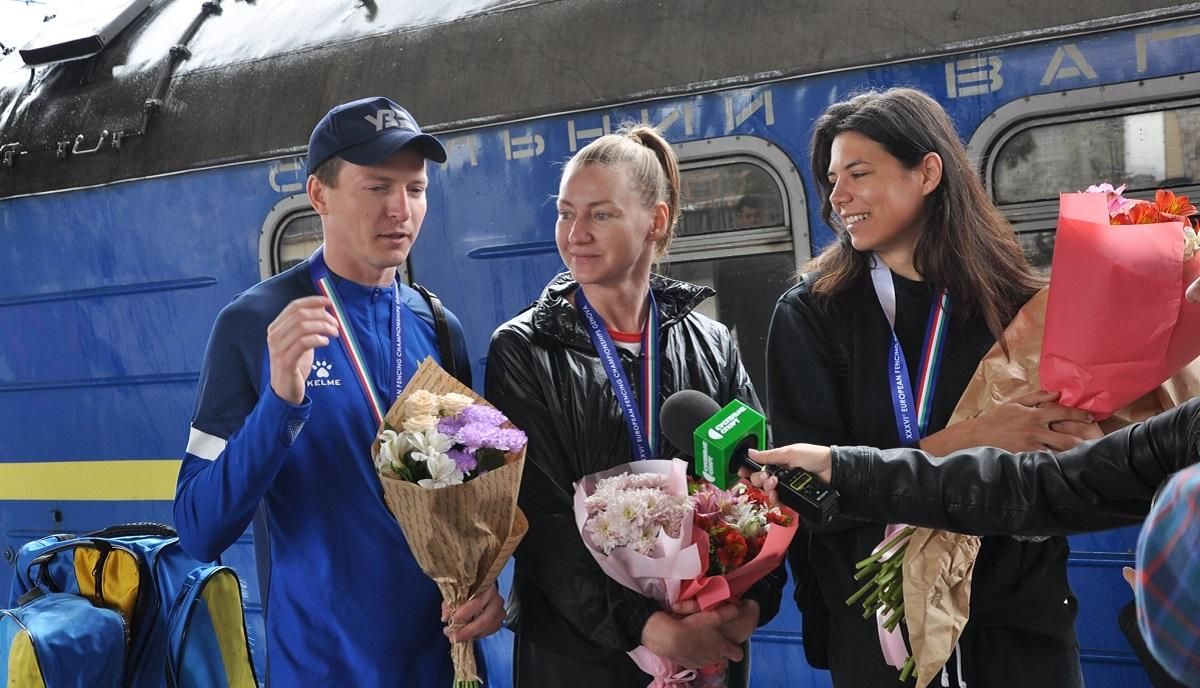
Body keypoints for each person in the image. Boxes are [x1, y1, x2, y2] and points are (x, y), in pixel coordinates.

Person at [767, 87, 1098, 687]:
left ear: (927, 171)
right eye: (831, 178)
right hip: (886, 637)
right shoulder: (812, 315)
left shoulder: (1019, 304)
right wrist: (974, 439)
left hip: (1018, 630)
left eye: (858, 173)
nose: (838, 196)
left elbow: (1062, 473)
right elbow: (804, 493)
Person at [173, 96, 503, 686]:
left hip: (439, 661)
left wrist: (487, 588)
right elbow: (199, 529)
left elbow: (470, 503)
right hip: (322, 667)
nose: (400, 210)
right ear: (319, 195)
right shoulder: (254, 324)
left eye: (416, 189)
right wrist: (280, 402)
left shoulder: (439, 326)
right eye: (377, 187)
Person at [485, 125, 785, 688]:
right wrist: (649, 627)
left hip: (708, 637)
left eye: (600, 214)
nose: (575, 233)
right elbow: (538, 519)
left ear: (657, 220)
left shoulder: (713, 343)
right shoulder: (524, 348)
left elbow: (758, 484)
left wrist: (748, 609)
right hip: (579, 655)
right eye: (566, 213)